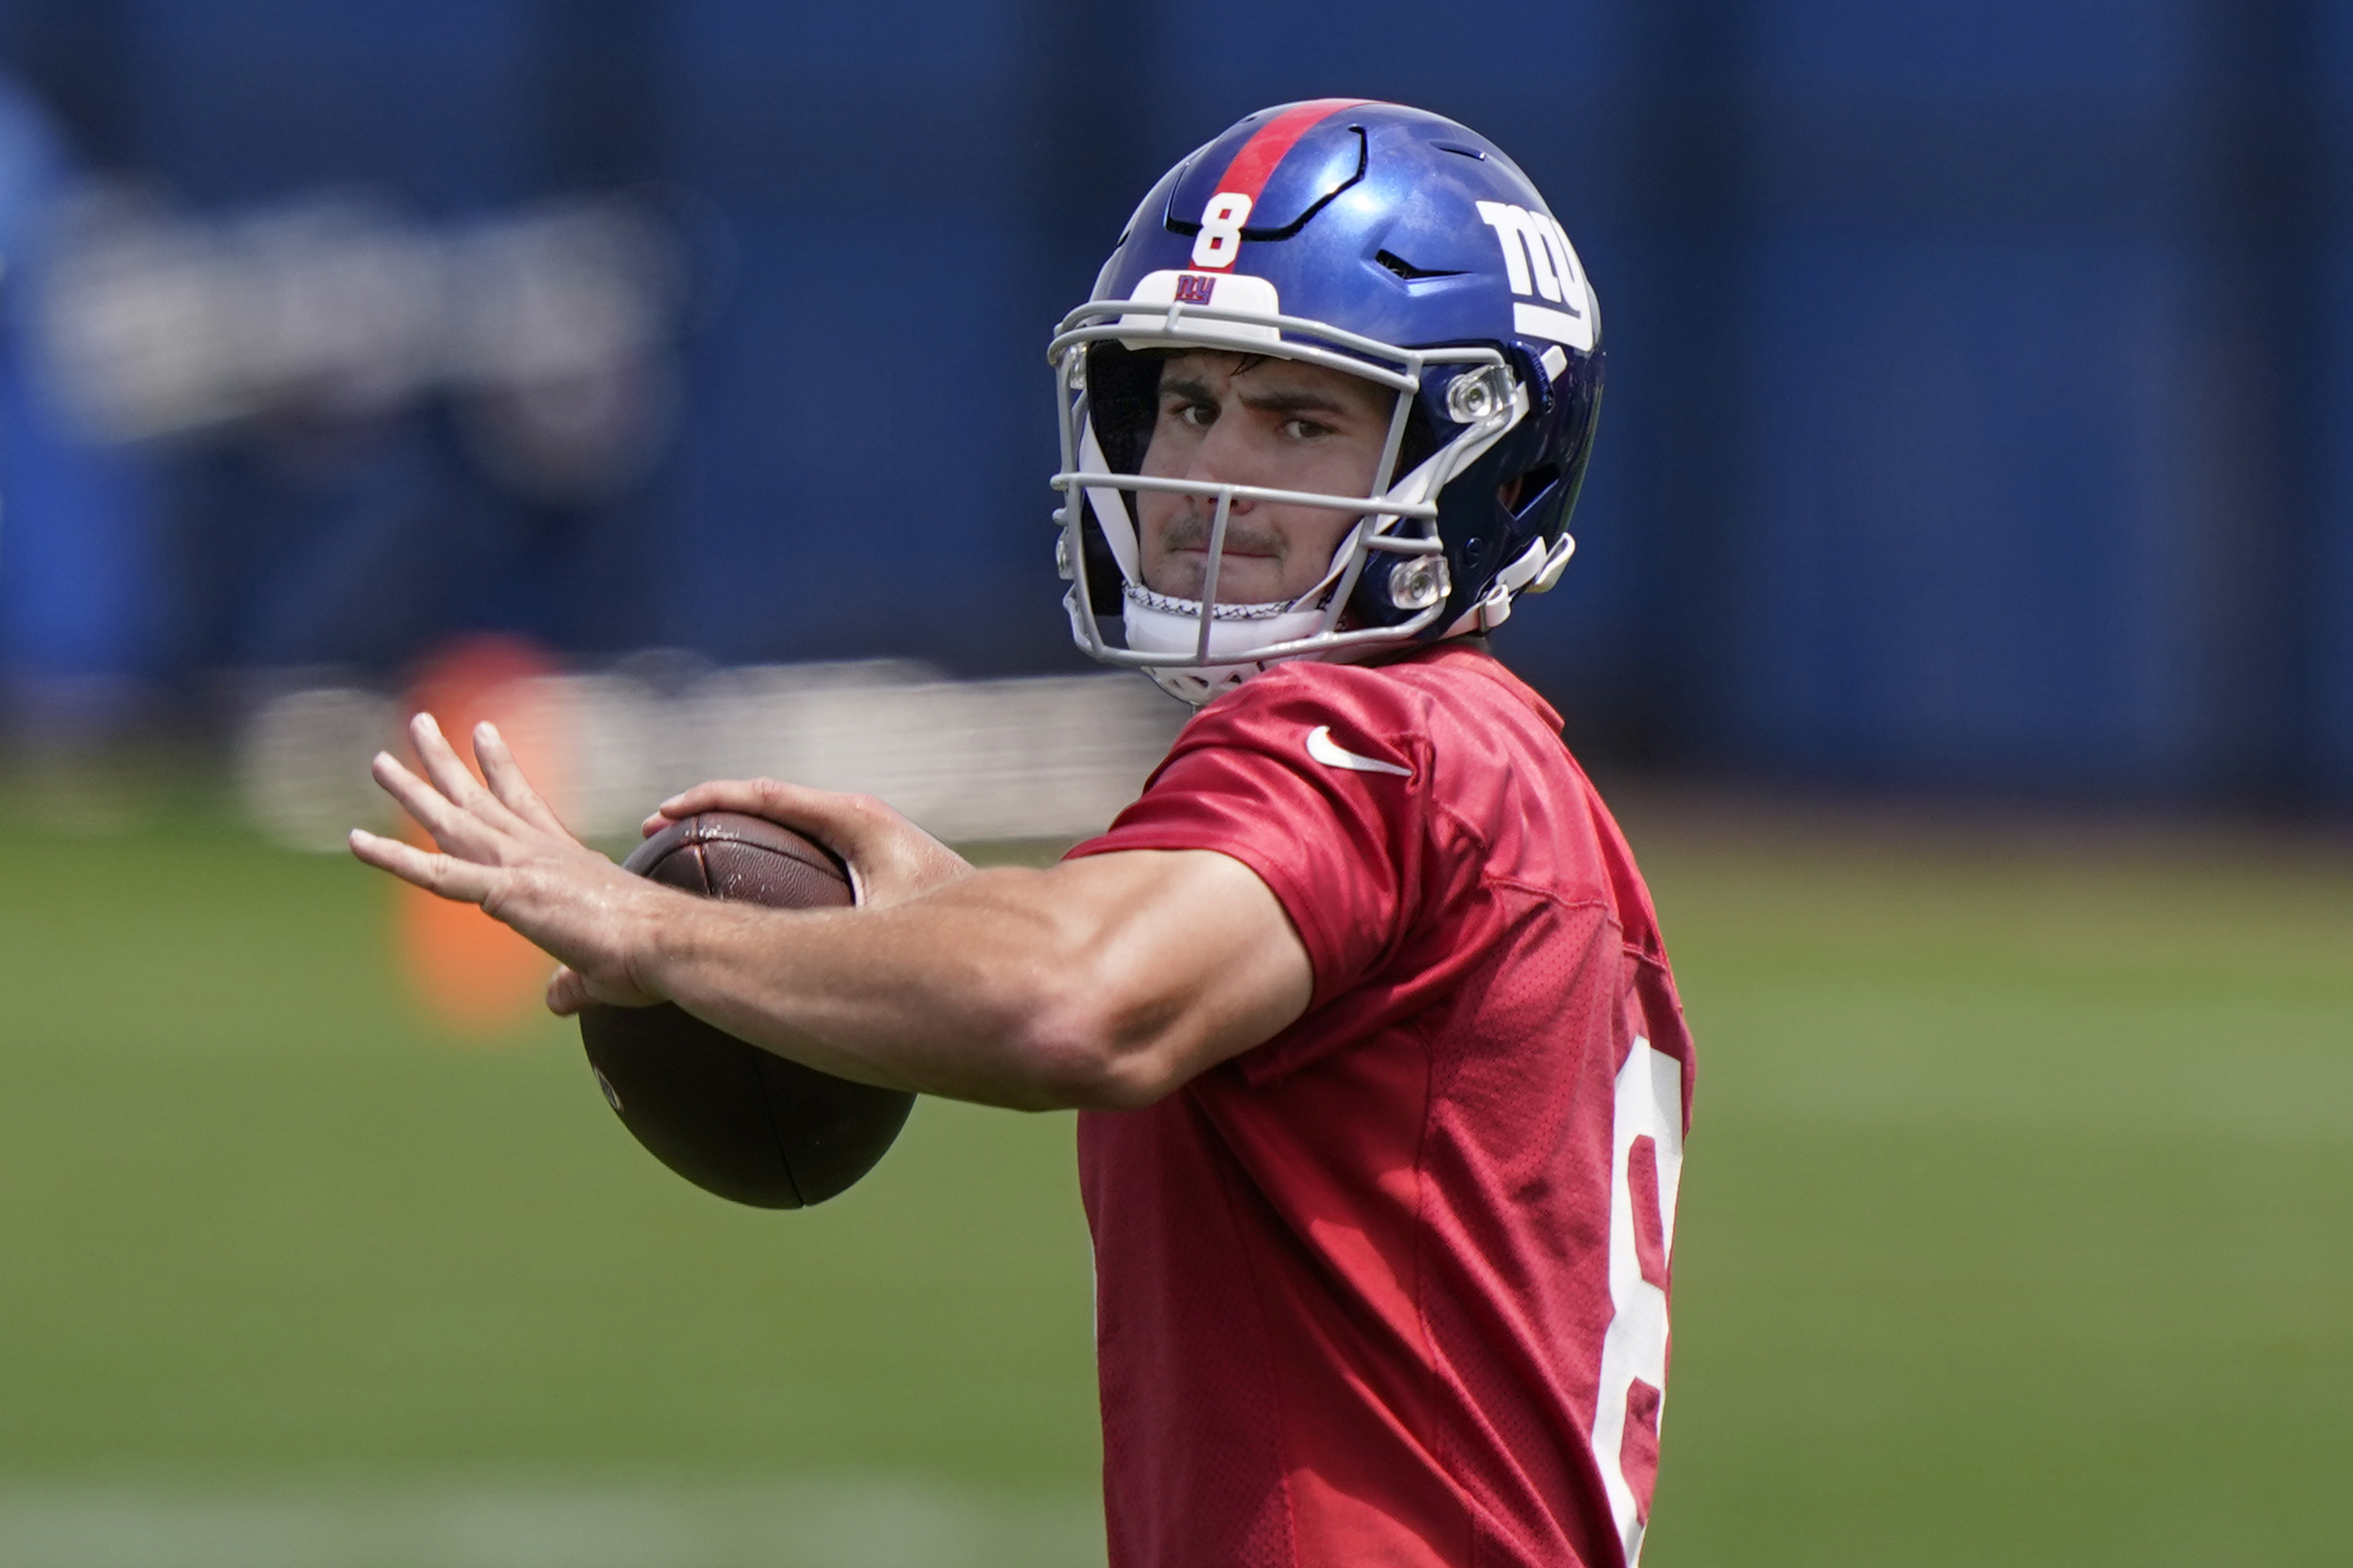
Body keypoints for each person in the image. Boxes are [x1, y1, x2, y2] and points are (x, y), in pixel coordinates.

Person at [353, 100, 1696, 1568]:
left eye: (1299, 418)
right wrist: (958, 903)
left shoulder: (1375, 736)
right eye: (1186, 405)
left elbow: (1079, 1005)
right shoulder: (1501, 769)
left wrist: (653, 928)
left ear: (1486, 455)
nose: (1205, 476)